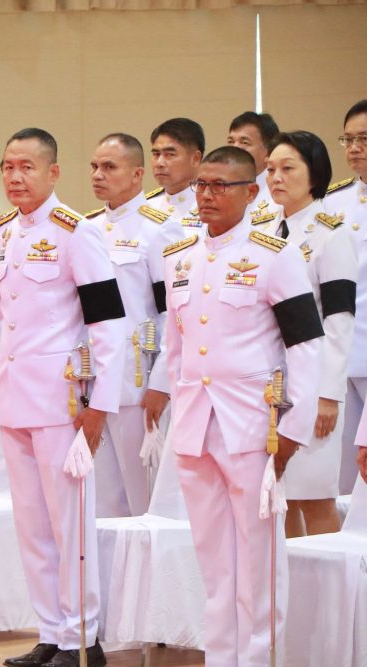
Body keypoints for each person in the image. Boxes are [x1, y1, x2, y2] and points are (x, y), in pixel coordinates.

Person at [164, 146, 323, 666]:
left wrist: (294, 427)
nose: (207, 195)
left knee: (258, 559)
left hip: (254, 426)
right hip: (196, 424)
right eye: (201, 184)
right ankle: (221, 657)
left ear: (251, 193)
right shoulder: (180, 256)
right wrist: (179, 414)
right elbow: (175, 347)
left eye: (221, 185)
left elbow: (306, 344)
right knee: (214, 562)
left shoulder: (273, 254)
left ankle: (259, 659)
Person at [0, 128, 126, 667]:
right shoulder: (3, 232)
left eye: (27, 166)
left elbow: (108, 323)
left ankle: (81, 637)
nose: (15, 177)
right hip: (14, 397)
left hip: (62, 401)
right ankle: (50, 631)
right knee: (32, 523)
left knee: (69, 523)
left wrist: (100, 404)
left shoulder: (76, 232)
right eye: (7, 167)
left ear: (53, 172)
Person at [85, 133, 184, 516]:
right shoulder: (88, 227)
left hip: (138, 379)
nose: (98, 174)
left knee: (145, 499)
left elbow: (172, 312)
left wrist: (161, 382)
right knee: (103, 502)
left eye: (109, 167)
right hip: (94, 378)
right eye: (94, 166)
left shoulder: (159, 229)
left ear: (137, 174)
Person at [263, 131, 356, 537]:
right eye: (270, 169)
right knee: (278, 495)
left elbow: (339, 320)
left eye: (288, 168)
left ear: (314, 174)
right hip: (271, 383)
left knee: (315, 496)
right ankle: (288, 578)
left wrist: (329, 395)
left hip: (314, 382)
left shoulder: (331, 234)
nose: (276, 178)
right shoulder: (264, 231)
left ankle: (327, 580)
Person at [329, 99, 367, 494]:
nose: (354, 148)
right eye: (348, 139)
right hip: (340, 352)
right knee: (341, 469)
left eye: (364, 139)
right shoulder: (334, 201)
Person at [150, 118, 205, 231]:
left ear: (195, 158)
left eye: (170, 154)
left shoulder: (212, 206)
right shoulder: (146, 206)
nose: (159, 163)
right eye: (156, 154)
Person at [227, 111, 281, 225]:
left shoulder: (280, 190)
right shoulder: (220, 188)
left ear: (269, 151)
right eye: (231, 141)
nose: (234, 148)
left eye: (244, 142)